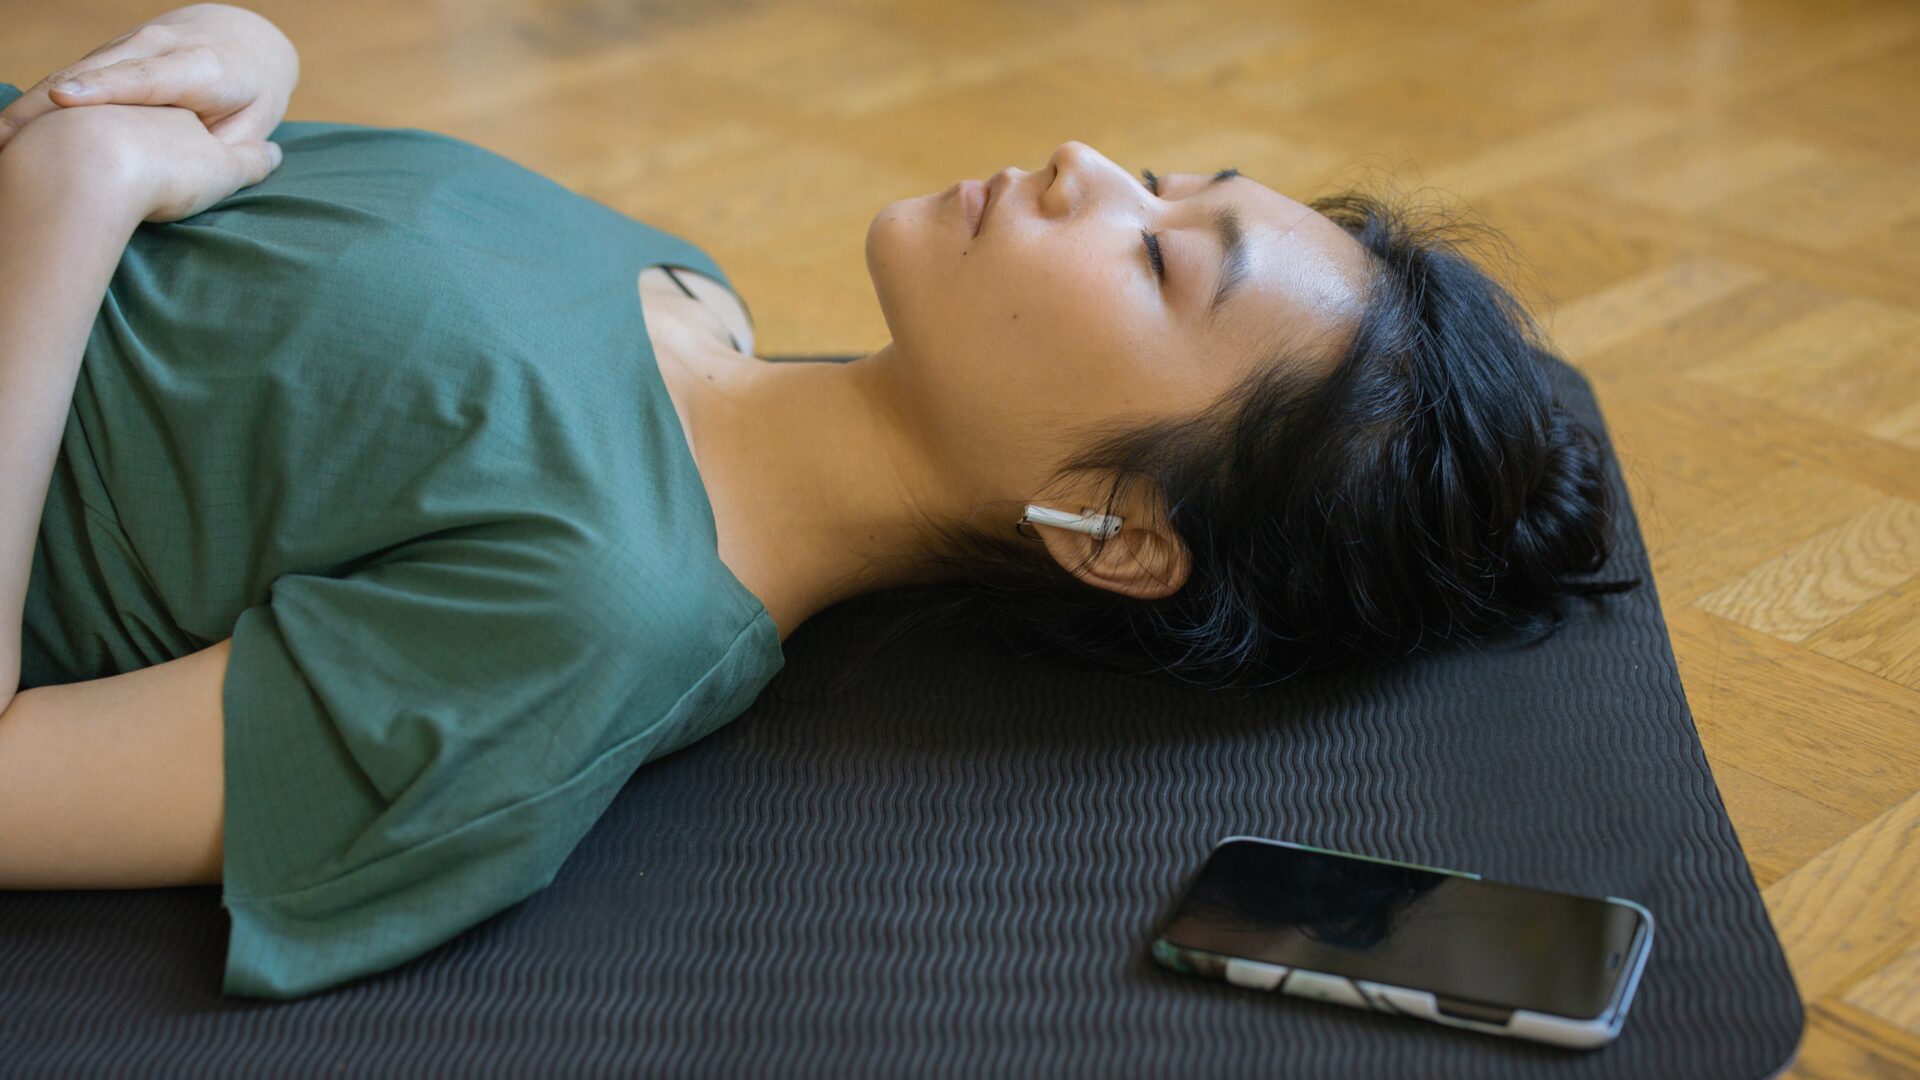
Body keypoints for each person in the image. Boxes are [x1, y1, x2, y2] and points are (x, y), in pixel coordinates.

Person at [0, 5, 1637, 999]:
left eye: (1155, 255)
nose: (1083, 160)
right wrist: (250, 67)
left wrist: (68, 203)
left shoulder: (587, 619)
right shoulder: (683, 288)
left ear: (1124, 531)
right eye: (1166, 172)